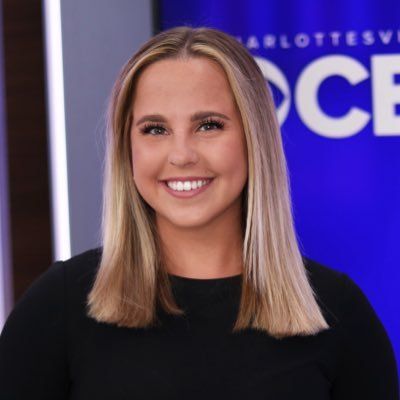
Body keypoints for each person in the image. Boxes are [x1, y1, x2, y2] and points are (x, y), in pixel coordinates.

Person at [0, 26, 398, 399]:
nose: (181, 155)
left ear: (254, 138)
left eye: (208, 125)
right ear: (127, 149)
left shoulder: (337, 311)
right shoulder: (60, 306)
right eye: (155, 129)